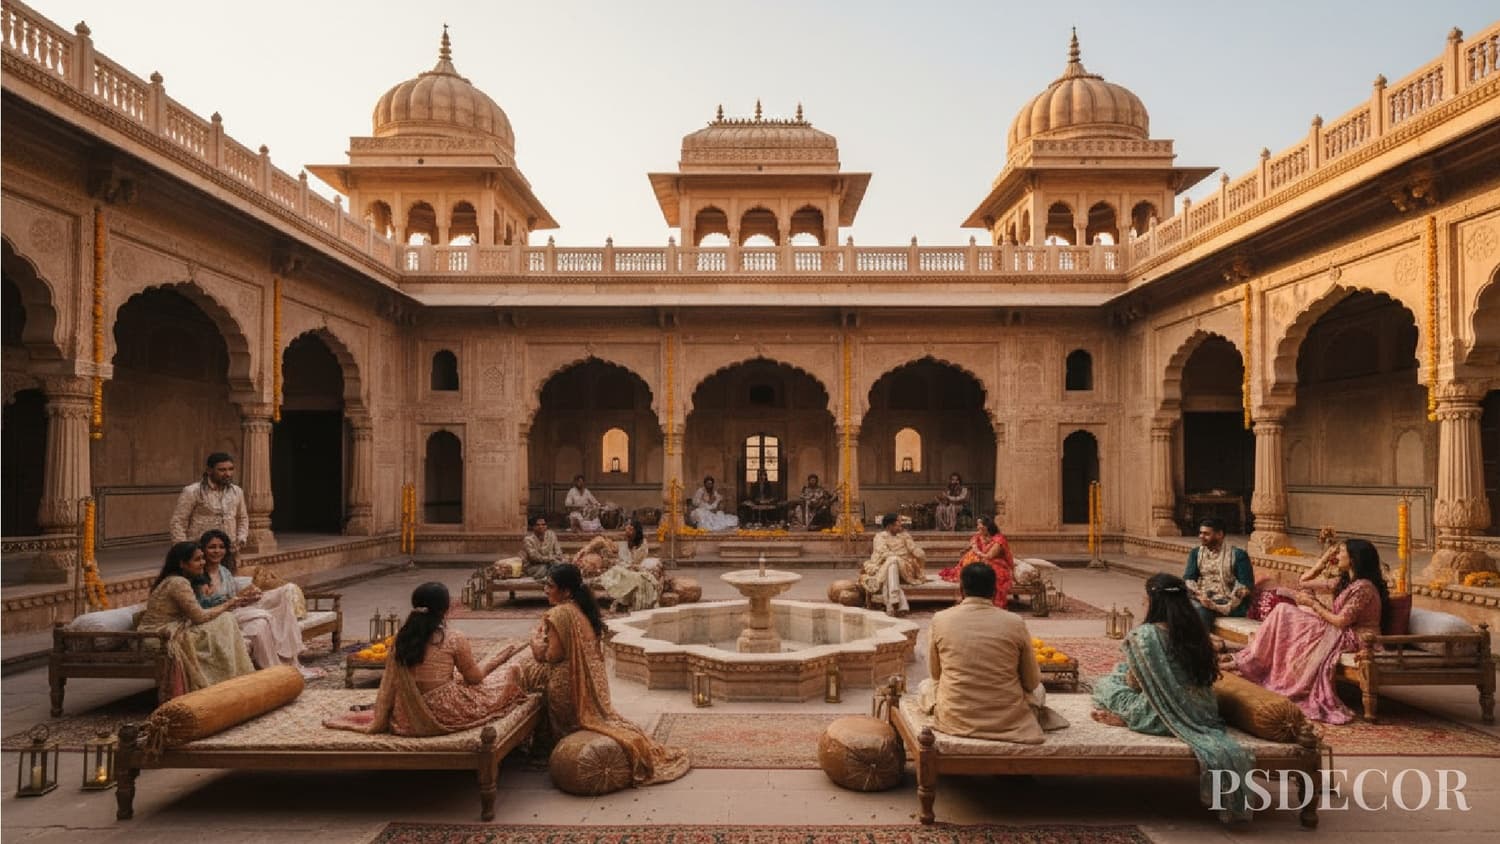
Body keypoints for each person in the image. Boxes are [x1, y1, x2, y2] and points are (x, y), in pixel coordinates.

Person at [1091, 573, 1255, 823]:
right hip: (1204, 711)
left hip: (1159, 715)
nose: (1143, 603)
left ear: (1155, 601)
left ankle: (1125, 718)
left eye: (1145, 599)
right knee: (1121, 674)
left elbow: (1134, 683)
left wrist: (1144, 675)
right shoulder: (1196, 628)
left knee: (1106, 685)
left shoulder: (1144, 635)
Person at [517, 563, 689, 786]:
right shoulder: (582, 609)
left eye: (550, 586)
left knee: (525, 673)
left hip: (568, 693)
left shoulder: (559, 614)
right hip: (591, 692)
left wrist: (534, 641)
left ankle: (536, 744)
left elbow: (551, 656)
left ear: (566, 591)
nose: (546, 591)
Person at [325, 582, 527, 736]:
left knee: (456, 677)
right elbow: (474, 679)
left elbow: (390, 685)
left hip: (405, 717)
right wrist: (493, 663)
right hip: (444, 712)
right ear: (446, 609)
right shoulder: (453, 638)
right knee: (509, 675)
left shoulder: (401, 639)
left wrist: (383, 715)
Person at [1229, 538, 1388, 724]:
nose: (1336, 556)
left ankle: (1253, 660)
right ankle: (1253, 659)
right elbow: (1303, 582)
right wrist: (1322, 562)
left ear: (1353, 558)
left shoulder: (1364, 588)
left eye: (1340, 552)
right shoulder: (1345, 581)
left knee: (1286, 612)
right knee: (1287, 613)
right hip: (1341, 630)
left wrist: (1313, 604)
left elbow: (1341, 620)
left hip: (1358, 638)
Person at [918, 562, 1065, 743]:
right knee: (1040, 691)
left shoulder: (940, 619)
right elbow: (1032, 681)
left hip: (956, 719)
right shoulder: (1015, 622)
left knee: (925, 686)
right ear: (995, 591)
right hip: (1008, 720)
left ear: (962, 590)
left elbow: (935, 674)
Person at [135, 541, 257, 697]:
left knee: (225, 620)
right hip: (160, 637)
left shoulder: (179, 580)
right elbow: (199, 616)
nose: (203, 563)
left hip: (170, 631)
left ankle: (234, 677)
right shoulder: (177, 583)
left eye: (202, 558)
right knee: (225, 620)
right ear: (182, 564)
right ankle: (230, 678)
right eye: (197, 559)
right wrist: (229, 604)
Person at [193, 529, 313, 675]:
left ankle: (286, 662)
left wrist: (247, 598)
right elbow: (202, 605)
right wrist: (236, 599)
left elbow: (233, 598)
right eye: (212, 547)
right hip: (217, 616)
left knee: (279, 599)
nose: (217, 551)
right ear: (203, 549)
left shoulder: (224, 571)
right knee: (263, 619)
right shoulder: (198, 574)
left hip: (233, 610)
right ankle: (273, 670)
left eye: (221, 547)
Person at [1183, 518, 1256, 630]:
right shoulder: (1196, 553)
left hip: (1229, 601)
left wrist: (1215, 604)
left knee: (1201, 611)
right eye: (1200, 533)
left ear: (1219, 534)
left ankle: (1201, 645)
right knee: (1173, 604)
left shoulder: (1238, 555)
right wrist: (1199, 596)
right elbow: (1189, 579)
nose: (1201, 536)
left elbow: (1246, 585)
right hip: (1201, 596)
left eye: (1206, 534)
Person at [170, 452, 248, 550]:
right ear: (209, 470)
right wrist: (183, 549)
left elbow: (242, 518)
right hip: (200, 551)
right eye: (222, 470)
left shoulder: (237, 491)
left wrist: (241, 538)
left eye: (231, 469)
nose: (228, 474)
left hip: (229, 549)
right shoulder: (193, 491)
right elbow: (178, 522)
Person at [937, 516, 1014, 606]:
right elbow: (972, 544)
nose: (977, 527)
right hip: (981, 560)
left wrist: (976, 551)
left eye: (979, 525)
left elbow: (989, 556)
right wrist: (969, 549)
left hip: (995, 562)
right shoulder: (979, 536)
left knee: (993, 573)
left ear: (986, 526)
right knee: (971, 558)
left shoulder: (999, 539)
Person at [860, 513, 927, 616]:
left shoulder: (904, 535)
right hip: (887, 566)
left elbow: (913, 548)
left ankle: (892, 601)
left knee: (893, 561)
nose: (900, 525)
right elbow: (883, 553)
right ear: (889, 526)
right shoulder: (880, 537)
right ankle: (895, 601)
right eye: (897, 524)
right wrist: (897, 557)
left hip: (905, 567)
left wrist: (920, 554)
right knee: (892, 562)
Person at [598, 519, 662, 613]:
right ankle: (614, 598)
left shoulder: (642, 543)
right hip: (627, 567)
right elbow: (623, 559)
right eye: (627, 529)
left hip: (637, 569)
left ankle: (621, 602)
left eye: (630, 529)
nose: (627, 531)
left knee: (634, 578)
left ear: (636, 531)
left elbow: (636, 561)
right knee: (616, 570)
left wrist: (630, 565)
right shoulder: (625, 543)